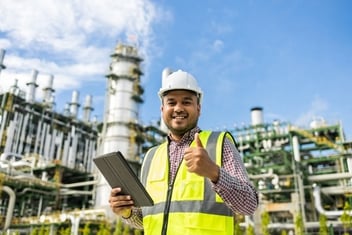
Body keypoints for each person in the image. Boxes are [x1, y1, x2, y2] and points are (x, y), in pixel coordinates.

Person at [109, 69, 258, 235]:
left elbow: (249, 205)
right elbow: (147, 219)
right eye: (171, 103)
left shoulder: (219, 144)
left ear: (198, 108)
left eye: (186, 102)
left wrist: (214, 173)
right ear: (162, 109)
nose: (178, 108)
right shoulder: (151, 156)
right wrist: (127, 212)